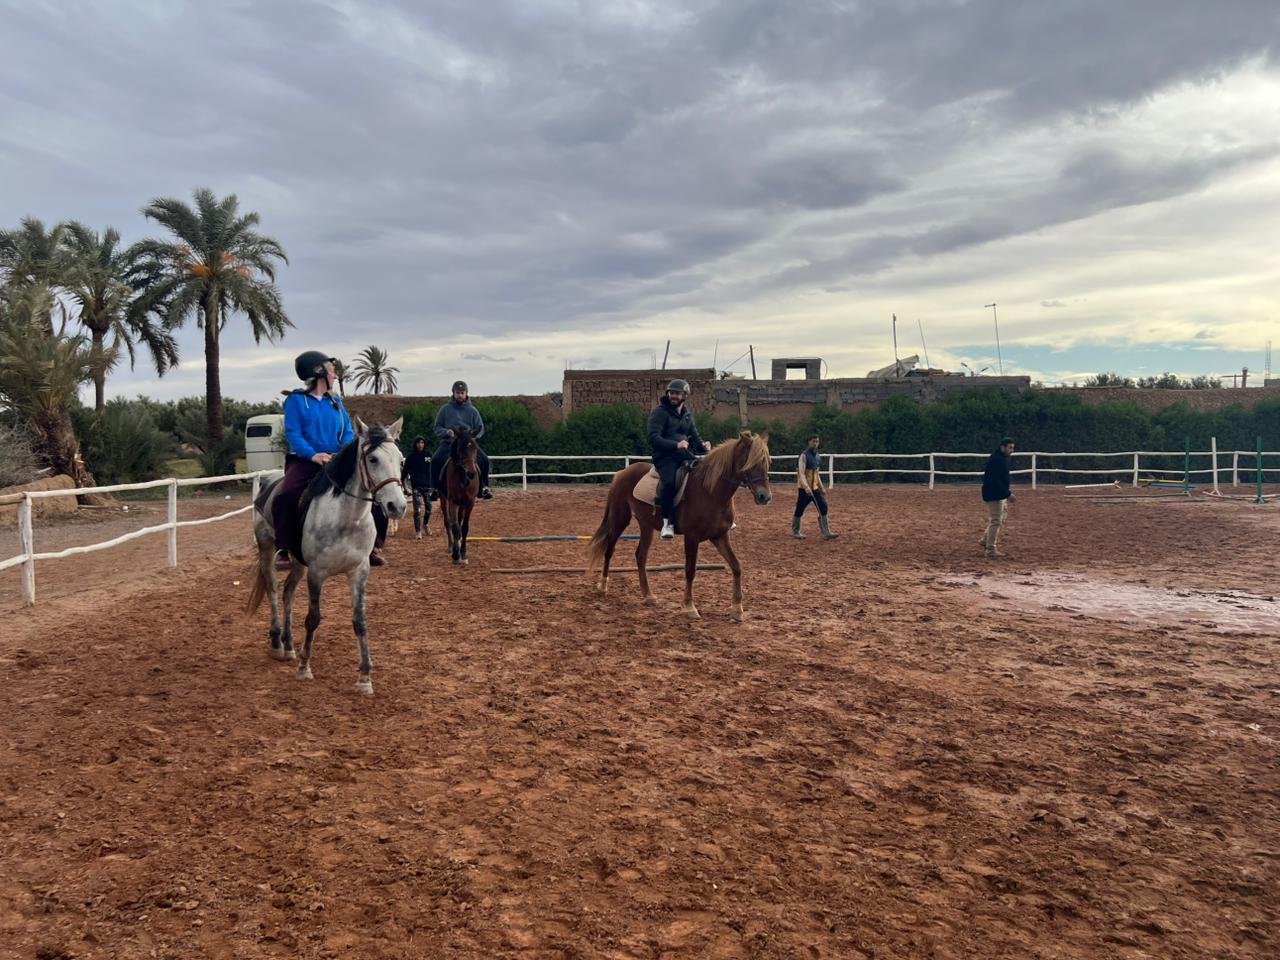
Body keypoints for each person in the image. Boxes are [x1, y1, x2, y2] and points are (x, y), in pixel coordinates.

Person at [272, 350, 389, 571]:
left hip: (335, 459)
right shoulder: (296, 401)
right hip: (305, 460)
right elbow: (294, 433)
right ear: (318, 373)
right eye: (332, 371)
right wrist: (313, 455)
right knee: (287, 494)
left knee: (373, 490)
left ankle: (374, 545)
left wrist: (343, 452)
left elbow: (347, 432)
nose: (335, 375)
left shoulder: (335, 401)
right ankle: (284, 548)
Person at [647, 378, 711, 540]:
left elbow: (695, 438)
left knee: (705, 477)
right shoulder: (660, 412)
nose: (674, 396)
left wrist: (704, 446)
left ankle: (713, 516)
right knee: (669, 483)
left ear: (685, 396)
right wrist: (676, 445)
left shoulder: (687, 415)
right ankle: (667, 523)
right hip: (665, 457)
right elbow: (653, 438)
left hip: (684, 456)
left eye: (677, 393)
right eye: (672, 393)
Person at [428, 380, 493, 501]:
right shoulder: (445, 409)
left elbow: (481, 428)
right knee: (435, 460)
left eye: (462, 393)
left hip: (467, 444)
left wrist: (473, 436)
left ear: (466, 393)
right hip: (449, 443)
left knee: (484, 460)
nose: (460, 395)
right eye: (458, 392)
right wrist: (446, 432)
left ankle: (484, 487)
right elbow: (437, 427)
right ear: (453, 393)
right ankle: (434, 489)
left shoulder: (473, 411)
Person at [792, 434, 838, 540]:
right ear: (809, 442)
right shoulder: (804, 456)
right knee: (800, 509)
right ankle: (796, 531)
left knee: (823, 507)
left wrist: (821, 487)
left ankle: (826, 532)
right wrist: (806, 487)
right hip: (804, 489)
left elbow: (817, 473)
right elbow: (801, 473)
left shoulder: (817, 456)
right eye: (813, 441)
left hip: (815, 488)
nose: (815, 443)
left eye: (817, 441)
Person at [980, 437, 1016, 559]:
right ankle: (990, 550)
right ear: (1002, 447)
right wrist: (1008, 494)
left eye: (1013, 448)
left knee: (1001, 517)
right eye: (1010, 448)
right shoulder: (997, 460)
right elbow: (995, 481)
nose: (1012, 450)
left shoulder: (1000, 458)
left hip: (998, 494)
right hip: (994, 494)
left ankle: (985, 540)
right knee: (996, 521)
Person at [401, 435, 433, 538]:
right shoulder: (410, 457)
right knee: (417, 510)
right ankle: (418, 531)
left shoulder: (428, 455)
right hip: (416, 487)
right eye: (418, 443)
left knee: (429, 508)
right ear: (415, 444)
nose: (420, 445)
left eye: (422, 442)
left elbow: (433, 470)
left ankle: (425, 524)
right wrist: (404, 486)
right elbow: (404, 472)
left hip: (427, 486)